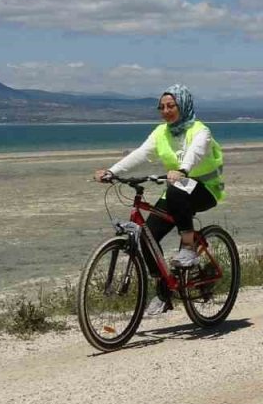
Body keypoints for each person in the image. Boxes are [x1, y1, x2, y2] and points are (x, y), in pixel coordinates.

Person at [95, 84, 226, 316]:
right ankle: (164, 291)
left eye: (171, 106)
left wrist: (183, 170)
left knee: (175, 189)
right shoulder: (161, 132)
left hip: (205, 189)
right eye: (162, 107)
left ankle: (188, 247)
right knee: (147, 237)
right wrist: (112, 171)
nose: (166, 111)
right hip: (177, 189)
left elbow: (195, 152)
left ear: (183, 105)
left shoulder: (200, 130)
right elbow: (141, 153)